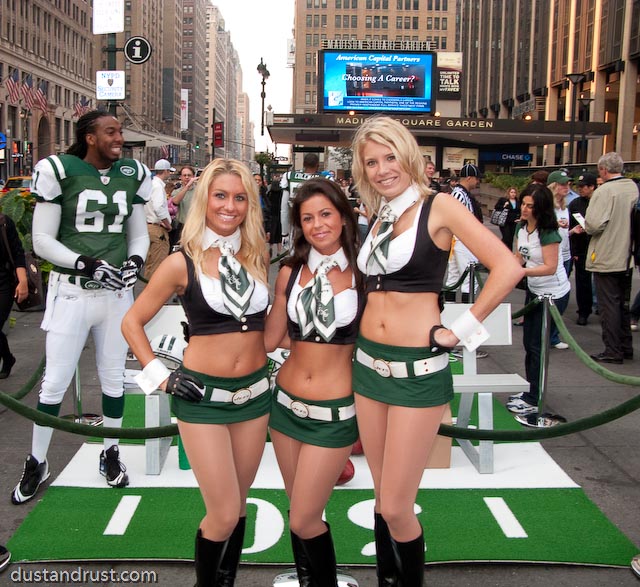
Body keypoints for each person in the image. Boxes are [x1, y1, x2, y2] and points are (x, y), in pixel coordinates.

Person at [350, 116, 523, 585]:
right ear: (362, 171)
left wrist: (459, 329)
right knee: (381, 492)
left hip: (417, 371)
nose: (383, 169)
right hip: (367, 368)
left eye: (390, 157)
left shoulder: (440, 206)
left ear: (408, 155)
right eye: (372, 162)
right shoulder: (380, 215)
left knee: (394, 503)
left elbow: (507, 266)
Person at [122, 158, 270, 586]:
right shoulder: (179, 262)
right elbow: (131, 323)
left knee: (239, 506)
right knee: (222, 513)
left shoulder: (256, 254)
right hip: (202, 399)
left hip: (255, 397)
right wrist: (161, 377)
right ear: (204, 199)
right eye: (220, 196)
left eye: (239, 197)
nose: (229, 206)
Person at [11, 110, 151, 505]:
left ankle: (111, 451)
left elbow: (137, 234)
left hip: (116, 295)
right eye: (111, 131)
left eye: (120, 131)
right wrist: (87, 263)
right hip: (71, 291)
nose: (119, 137)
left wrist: (134, 263)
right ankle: (37, 460)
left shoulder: (131, 174)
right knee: (53, 382)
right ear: (90, 137)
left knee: (112, 379)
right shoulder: (60, 169)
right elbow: (42, 239)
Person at [264, 178, 362, 585]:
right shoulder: (289, 270)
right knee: (300, 511)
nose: (318, 225)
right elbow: (271, 338)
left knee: (305, 518)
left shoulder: (365, 270)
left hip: (335, 411)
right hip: (285, 407)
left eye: (325, 214)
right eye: (307, 218)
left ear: (342, 216)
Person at [507, 184, 571, 416]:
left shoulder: (548, 232)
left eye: (530, 206)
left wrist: (520, 273)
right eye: (523, 204)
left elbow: (551, 267)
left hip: (553, 295)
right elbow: (518, 258)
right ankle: (531, 391)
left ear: (540, 208)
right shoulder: (521, 229)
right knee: (529, 344)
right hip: (534, 292)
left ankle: (536, 396)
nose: (524, 209)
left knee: (537, 346)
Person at [585, 152, 639, 364]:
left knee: (609, 305)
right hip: (628, 255)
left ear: (604, 170)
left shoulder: (605, 191)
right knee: (622, 304)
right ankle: (625, 346)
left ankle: (613, 349)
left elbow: (593, 224)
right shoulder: (633, 187)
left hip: (607, 254)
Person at [444, 163, 484, 302]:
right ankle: (466, 310)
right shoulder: (460, 194)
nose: (478, 181)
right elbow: (453, 217)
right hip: (462, 240)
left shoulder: (460, 193)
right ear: (469, 178)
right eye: (476, 178)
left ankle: (449, 308)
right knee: (469, 280)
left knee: (454, 278)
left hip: (458, 240)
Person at [0, 213, 28, 378]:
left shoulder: (4, 223)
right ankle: (8, 358)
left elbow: (18, 254)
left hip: (4, 284)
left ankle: (8, 359)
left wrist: (22, 281)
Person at [568, 172, 598, 325]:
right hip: (581, 247)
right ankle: (583, 311)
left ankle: (599, 307)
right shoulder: (575, 204)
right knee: (582, 281)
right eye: (578, 187)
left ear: (592, 187)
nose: (580, 189)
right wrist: (574, 251)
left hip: (598, 246)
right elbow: (571, 227)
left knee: (600, 280)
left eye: (583, 187)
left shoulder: (599, 202)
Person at [280, 153, 321, 247]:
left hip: (295, 227)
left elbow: (284, 209)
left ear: (303, 164)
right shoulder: (325, 179)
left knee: (296, 257)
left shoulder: (290, 177)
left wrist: (284, 233)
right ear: (317, 165)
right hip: (316, 226)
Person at [144, 159, 174, 280]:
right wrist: (168, 224)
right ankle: (153, 295)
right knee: (157, 264)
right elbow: (158, 208)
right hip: (157, 228)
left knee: (151, 263)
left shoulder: (150, 184)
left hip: (148, 226)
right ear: (165, 171)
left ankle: (149, 293)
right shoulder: (158, 186)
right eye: (169, 171)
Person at [170, 165, 198, 247]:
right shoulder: (176, 192)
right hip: (182, 226)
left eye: (189, 175)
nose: (187, 177)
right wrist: (187, 186)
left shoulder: (200, 190)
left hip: (196, 226)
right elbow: (175, 201)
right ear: (180, 177)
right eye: (184, 175)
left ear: (193, 176)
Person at [493, 186, 521, 251]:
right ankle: (501, 248)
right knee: (506, 237)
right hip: (504, 221)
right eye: (511, 192)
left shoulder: (518, 201)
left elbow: (520, 211)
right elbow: (497, 207)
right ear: (508, 193)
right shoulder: (503, 200)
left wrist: (519, 218)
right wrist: (504, 206)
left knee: (511, 239)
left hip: (514, 222)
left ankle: (509, 252)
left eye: (514, 192)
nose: (513, 194)